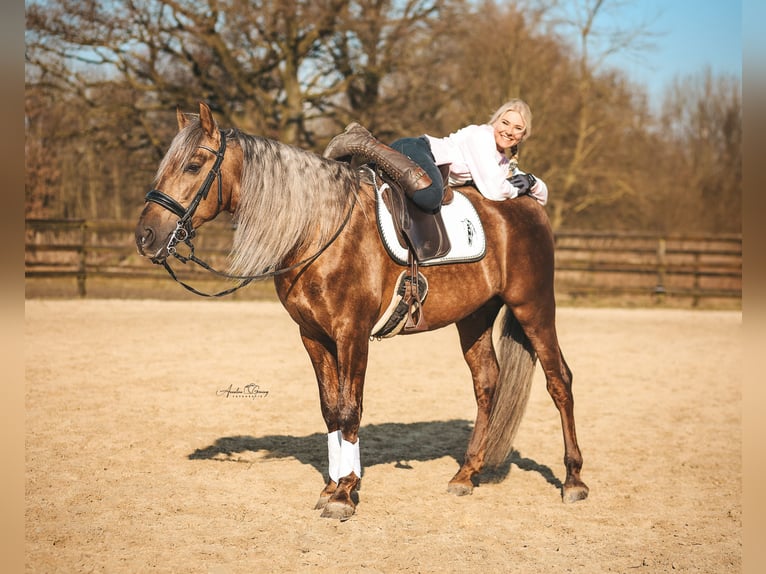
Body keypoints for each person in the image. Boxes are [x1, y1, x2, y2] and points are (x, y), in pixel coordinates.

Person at [323, 99, 548, 213]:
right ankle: (363, 142)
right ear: (495, 122)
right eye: (505, 122)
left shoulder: (502, 162)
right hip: (418, 150)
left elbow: (542, 196)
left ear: (523, 135)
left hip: (412, 161)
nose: (509, 130)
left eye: (518, 128)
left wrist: (532, 182)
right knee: (431, 197)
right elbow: (495, 190)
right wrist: (523, 184)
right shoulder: (481, 136)